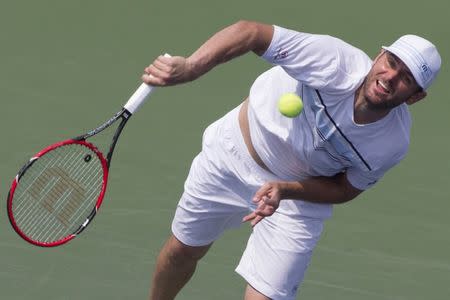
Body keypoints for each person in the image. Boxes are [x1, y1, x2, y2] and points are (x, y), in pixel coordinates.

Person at [141, 20, 441, 300]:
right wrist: (192, 67)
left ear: (415, 97)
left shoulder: (391, 143)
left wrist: (286, 190)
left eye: (406, 79)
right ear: (379, 56)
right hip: (231, 155)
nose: (390, 78)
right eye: (391, 63)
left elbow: (345, 189)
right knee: (181, 251)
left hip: (295, 199)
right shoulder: (332, 60)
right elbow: (251, 33)